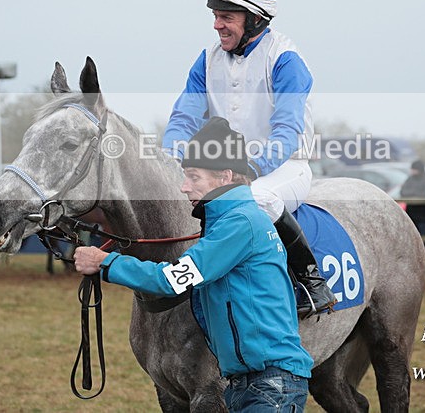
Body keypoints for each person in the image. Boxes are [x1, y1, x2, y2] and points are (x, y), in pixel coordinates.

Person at [75, 117, 312, 412]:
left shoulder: (240, 223)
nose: (184, 187)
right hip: (249, 383)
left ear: (225, 176)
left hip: (269, 385)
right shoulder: (229, 221)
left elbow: (174, 279)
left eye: (194, 177)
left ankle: (312, 279)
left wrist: (107, 263)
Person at [161, 0, 336, 317]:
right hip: (226, 173)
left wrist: (251, 169)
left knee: (256, 200)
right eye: (215, 14)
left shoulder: (286, 60)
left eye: (226, 16)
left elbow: (287, 131)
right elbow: (183, 117)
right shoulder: (206, 60)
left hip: (284, 168)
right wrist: (171, 158)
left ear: (255, 18)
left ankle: (311, 280)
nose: (216, 24)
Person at [399, 160, 425, 273]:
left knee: (423, 241)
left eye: (414, 169)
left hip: (424, 215)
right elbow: (403, 191)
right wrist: (416, 193)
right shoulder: (410, 179)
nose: (412, 171)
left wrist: (414, 193)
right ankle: (414, 266)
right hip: (411, 214)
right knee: (411, 241)